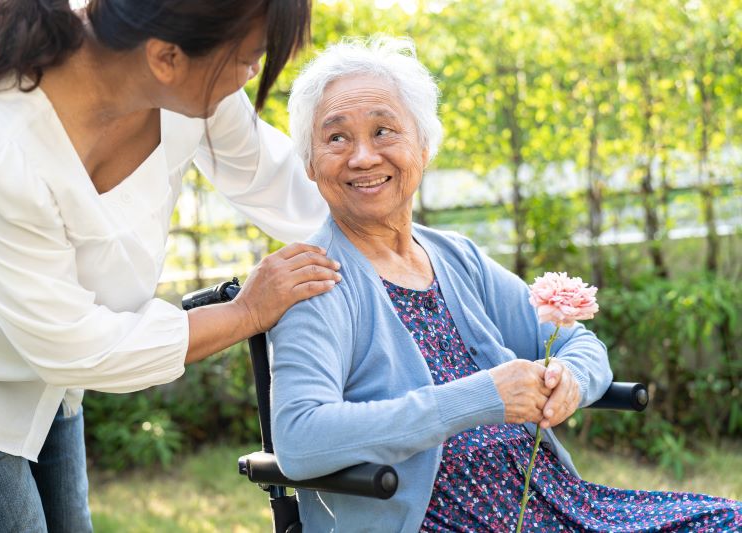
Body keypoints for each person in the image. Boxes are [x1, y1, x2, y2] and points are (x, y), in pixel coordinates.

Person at [268, 37, 742, 532]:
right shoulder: (315, 281)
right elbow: (301, 440)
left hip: (553, 504)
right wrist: (482, 397)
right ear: (310, 163)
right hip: (439, 520)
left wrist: (571, 380)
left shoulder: (456, 257)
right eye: (337, 138)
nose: (363, 157)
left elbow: (579, 342)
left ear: (424, 147)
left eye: (384, 131)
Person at [0, 0, 343, 531]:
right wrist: (247, 312)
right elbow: (75, 345)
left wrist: (404, 245)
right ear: (166, 58)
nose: (250, 76)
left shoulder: (183, 69)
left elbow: (275, 179)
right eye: (249, 60)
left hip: (53, 380)